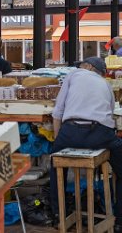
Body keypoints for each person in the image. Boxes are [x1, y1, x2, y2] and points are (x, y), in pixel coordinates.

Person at [49, 56, 122, 232]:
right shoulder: (106, 85)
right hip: (99, 134)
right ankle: (119, 219)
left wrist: (59, 143)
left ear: (88, 67)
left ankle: (58, 213)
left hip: (71, 130)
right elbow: (109, 114)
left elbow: (57, 112)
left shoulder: (74, 75)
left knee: (54, 163)